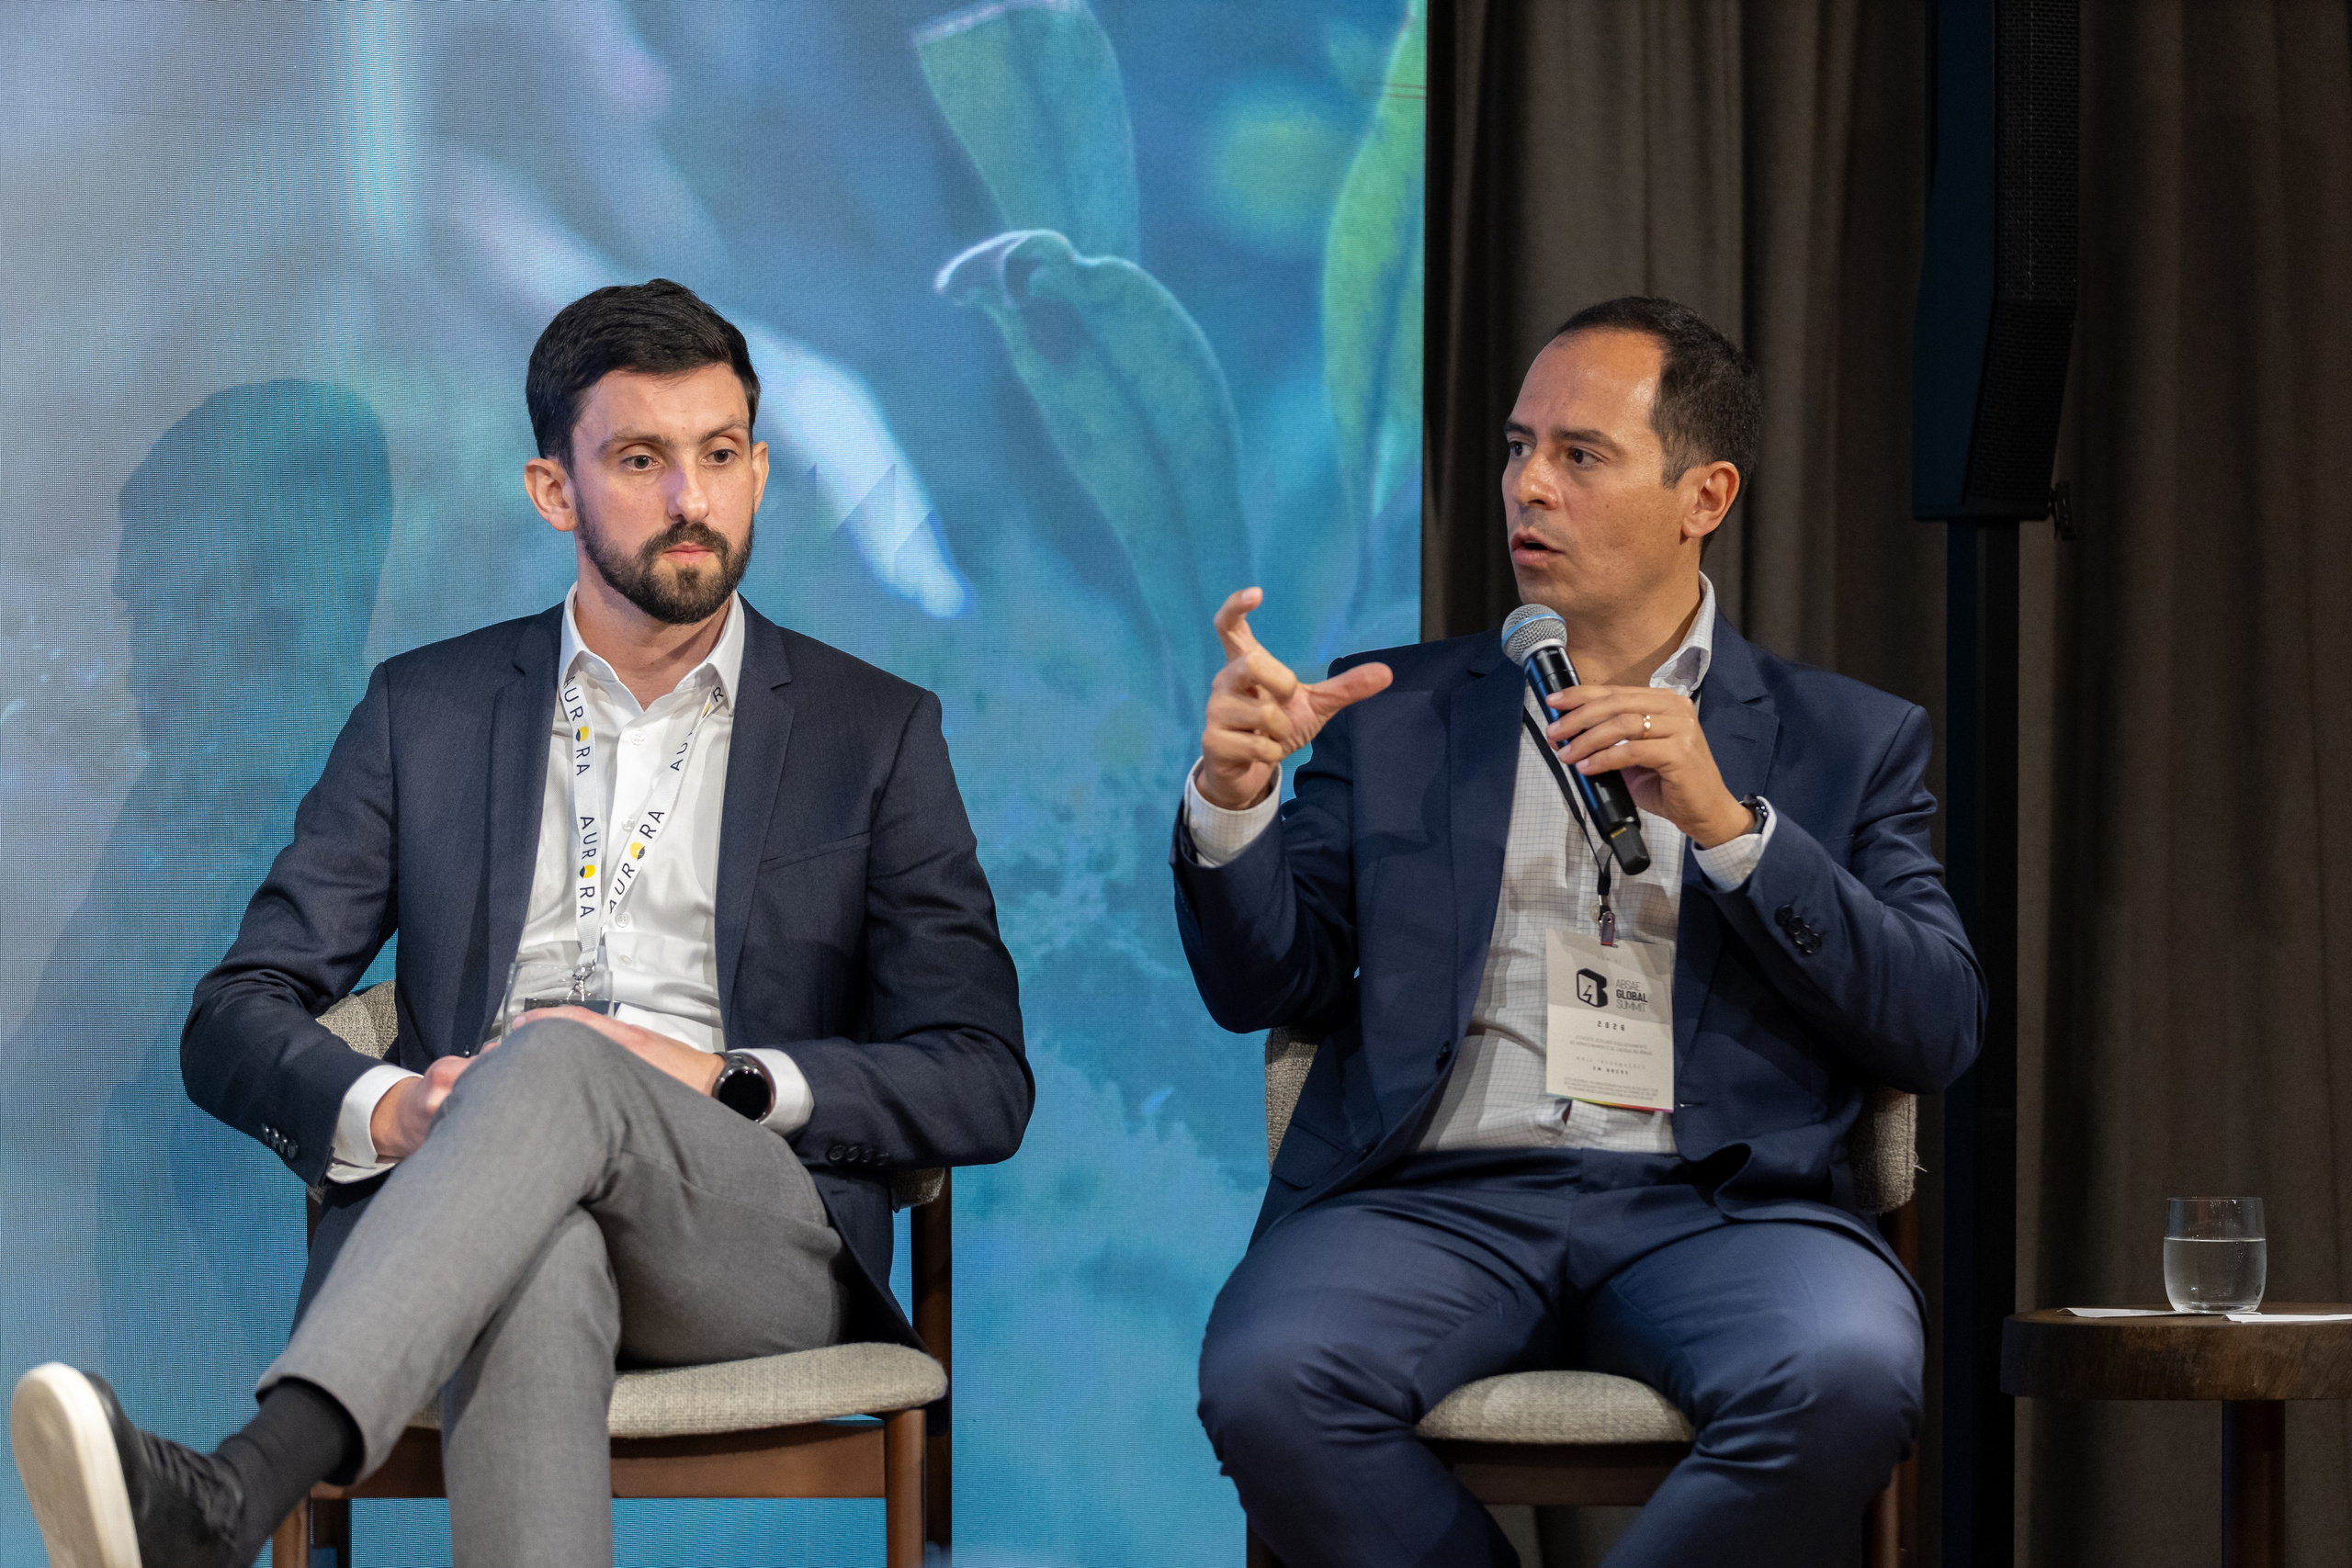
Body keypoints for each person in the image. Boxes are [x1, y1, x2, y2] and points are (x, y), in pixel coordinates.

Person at [10, 279, 1030, 1568]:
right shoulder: (424, 713)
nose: (689, 502)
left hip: (751, 1242)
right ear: (554, 491)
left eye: (719, 457)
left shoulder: (871, 733)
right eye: (640, 461)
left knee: (559, 1053)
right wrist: (397, 1113)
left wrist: (724, 1076)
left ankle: (233, 1490)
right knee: (539, 1256)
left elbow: (984, 1080)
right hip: (475, 1215)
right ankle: (226, 1500)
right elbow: (233, 1018)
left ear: (761, 469)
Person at [1174, 297, 1981, 1566]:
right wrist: (1233, 807)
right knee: (1272, 1379)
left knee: (1847, 1370)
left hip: (1719, 1209)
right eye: (1514, 448)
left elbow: (1935, 1024)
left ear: (1702, 496)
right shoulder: (1397, 713)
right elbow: (1264, 979)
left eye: (1579, 455)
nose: (1526, 487)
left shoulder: (1846, 739)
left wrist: (1730, 825)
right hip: (1431, 1198)